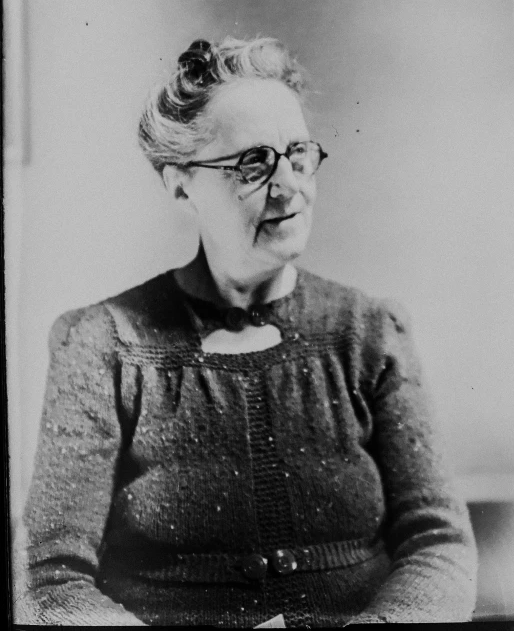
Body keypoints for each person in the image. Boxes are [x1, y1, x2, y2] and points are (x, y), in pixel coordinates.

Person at [19, 36, 477, 627]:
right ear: (180, 183)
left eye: (299, 154)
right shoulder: (100, 344)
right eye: (254, 163)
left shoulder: (371, 333)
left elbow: (439, 544)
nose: (289, 186)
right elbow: (49, 576)